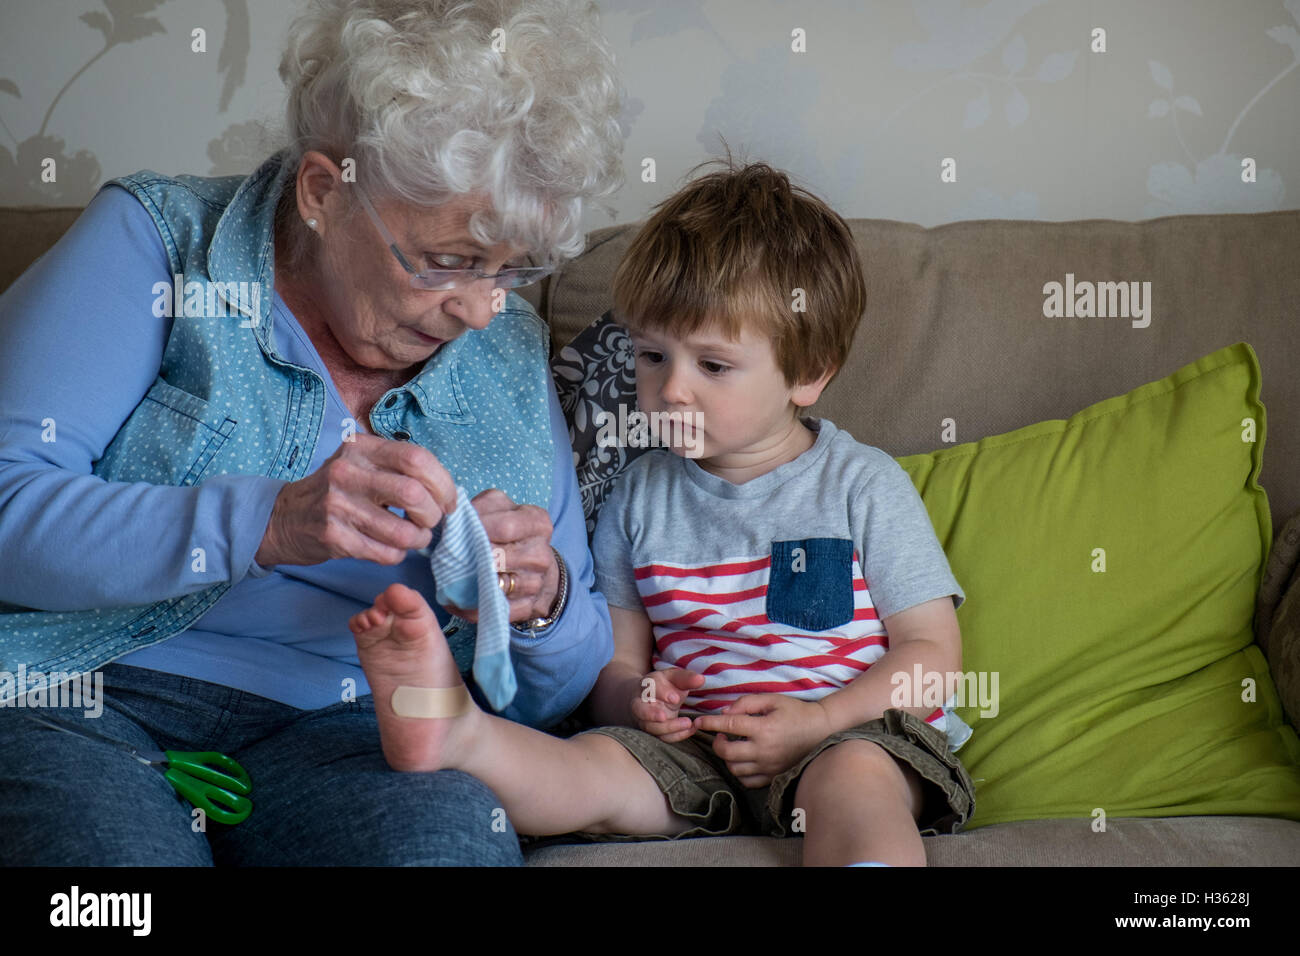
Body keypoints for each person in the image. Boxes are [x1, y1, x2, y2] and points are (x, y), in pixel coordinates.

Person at [0, 0, 623, 866]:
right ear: (325, 192)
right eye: (446, 261)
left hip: (356, 726)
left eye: (512, 270)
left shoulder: (508, 347)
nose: (482, 310)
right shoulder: (163, 244)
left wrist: (539, 603)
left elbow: (558, 689)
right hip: (86, 695)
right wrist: (264, 523)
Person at [348, 159, 977, 867]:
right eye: (652, 355)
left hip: (851, 736)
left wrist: (821, 721)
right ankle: (461, 734)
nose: (669, 389)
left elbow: (934, 657)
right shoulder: (638, 497)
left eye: (713, 366)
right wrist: (639, 698)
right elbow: (616, 665)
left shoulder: (863, 484)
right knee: (596, 766)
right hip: (697, 755)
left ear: (809, 372)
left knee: (852, 781)